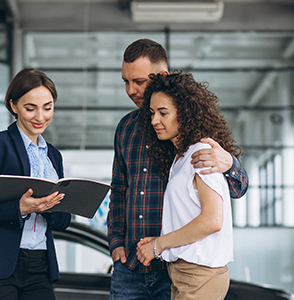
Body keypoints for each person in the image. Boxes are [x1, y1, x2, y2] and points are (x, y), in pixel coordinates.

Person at [107, 38, 248, 300]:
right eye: (125, 81)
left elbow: (233, 193)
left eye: (138, 81)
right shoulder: (125, 128)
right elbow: (118, 189)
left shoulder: (192, 137)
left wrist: (231, 164)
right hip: (130, 265)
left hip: (172, 264)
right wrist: (116, 242)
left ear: (161, 76)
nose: (130, 90)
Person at [0, 68, 71, 300]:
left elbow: (63, 221)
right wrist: (21, 208)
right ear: (13, 106)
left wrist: (51, 207)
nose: (40, 117)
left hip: (40, 263)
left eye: (47, 108)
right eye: (30, 108)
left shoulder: (54, 156)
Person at [136, 71, 240, 299]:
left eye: (163, 113)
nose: (155, 120)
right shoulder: (180, 157)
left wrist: (159, 245)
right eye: (152, 113)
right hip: (185, 273)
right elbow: (188, 212)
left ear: (184, 114)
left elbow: (212, 221)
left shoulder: (201, 154)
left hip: (198, 276)